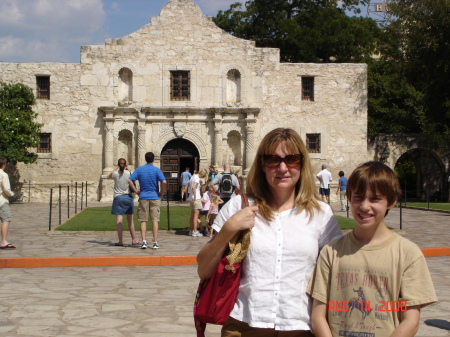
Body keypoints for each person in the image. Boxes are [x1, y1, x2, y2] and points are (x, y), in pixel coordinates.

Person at [197, 128, 342, 336]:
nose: (282, 168)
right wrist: (230, 228)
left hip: (299, 325)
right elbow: (203, 269)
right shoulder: (239, 206)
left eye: (291, 159)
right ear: (263, 166)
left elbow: (336, 272)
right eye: (273, 160)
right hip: (245, 324)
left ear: (301, 164)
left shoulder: (320, 213)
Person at [308, 161, 438, 337]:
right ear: (349, 198)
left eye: (375, 198)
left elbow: (411, 320)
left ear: (391, 201)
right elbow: (318, 315)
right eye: (358, 197)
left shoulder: (408, 254)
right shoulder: (331, 252)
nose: (364, 206)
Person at [129, 152, 167, 249]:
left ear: (145, 159)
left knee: (143, 220)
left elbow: (130, 180)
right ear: (153, 159)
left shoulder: (140, 169)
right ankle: (155, 242)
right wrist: (162, 191)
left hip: (143, 196)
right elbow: (164, 181)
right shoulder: (156, 170)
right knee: (155, 220)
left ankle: (144, 242)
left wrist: (136, 191)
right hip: (154, 195)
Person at [107, 158, 139, 247]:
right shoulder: (128, 173)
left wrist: (116, 167)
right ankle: (134, 239)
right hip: (128, 196)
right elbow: (133, 179)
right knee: (130, 221)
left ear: (118, 164)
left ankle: (120, 241)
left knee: (119, 220)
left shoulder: (116, 174)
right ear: (125, 165)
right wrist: (127, 167)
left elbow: (109, 176)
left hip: (118, 197)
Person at [0, 157, 15, 249]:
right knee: (6, 219)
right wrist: (11, 194)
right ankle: (4, 241)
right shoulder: (3, 174)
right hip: (1, 200)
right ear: (3, 165)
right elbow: (6, 189)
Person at [188, 170, 203, 237]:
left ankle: (191, 230)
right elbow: (193, 187)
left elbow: (188, 185)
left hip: (191, 197)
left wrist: (187, 195)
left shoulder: (192, 177)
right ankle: (195, 231)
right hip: (196, 198)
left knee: (192, 215)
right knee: (196, 216)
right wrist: (195, 196)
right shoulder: (197, 178)